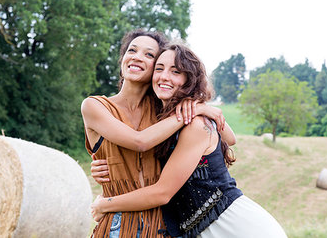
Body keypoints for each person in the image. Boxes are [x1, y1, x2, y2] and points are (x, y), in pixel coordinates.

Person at [90, 44, 287, 238]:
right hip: (201, 230)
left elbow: (162, 192)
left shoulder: (196, 125)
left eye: (176, 71)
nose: (165, 76)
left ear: (188, 80)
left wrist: (105, 204)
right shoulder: (164, 123)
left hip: (236, 227)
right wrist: (105, 165)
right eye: (159, 69)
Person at [81, 30, 228, 238]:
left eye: (149, 55)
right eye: (132, 50)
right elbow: (139, 142)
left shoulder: (164, 110)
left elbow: (229, 138)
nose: (137, 57)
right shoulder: (95, 106)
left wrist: (203, 107)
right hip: (118, 224)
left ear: (156, 69)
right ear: (122, 59)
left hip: (165, 227)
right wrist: (197, 110)